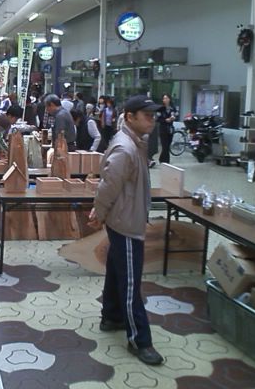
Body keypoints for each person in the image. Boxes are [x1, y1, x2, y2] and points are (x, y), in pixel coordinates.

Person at [88, 94, 164, 366]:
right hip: (127, 222)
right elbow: (108, 185)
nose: (152, 120)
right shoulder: (125, 148)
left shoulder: (136, 142)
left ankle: (111, 317)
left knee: (117, 269)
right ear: (130, 117)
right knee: (131, 282)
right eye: (147, 115)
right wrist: (100, 212)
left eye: (153, 115)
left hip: (124, 217)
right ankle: (139, 340)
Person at [157, 94, 177, 164]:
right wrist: (165, 120)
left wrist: (173, 118)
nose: (165, 100)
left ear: (169, 99)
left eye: (167, 98)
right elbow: (158, 119)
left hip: (170, 128)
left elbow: (175, 115)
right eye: (164, 98)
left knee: (168, 145)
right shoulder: (160, 108)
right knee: (164, 145)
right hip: (163, 128)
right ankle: (166, 162)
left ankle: (161, 158)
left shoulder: (172, 108)